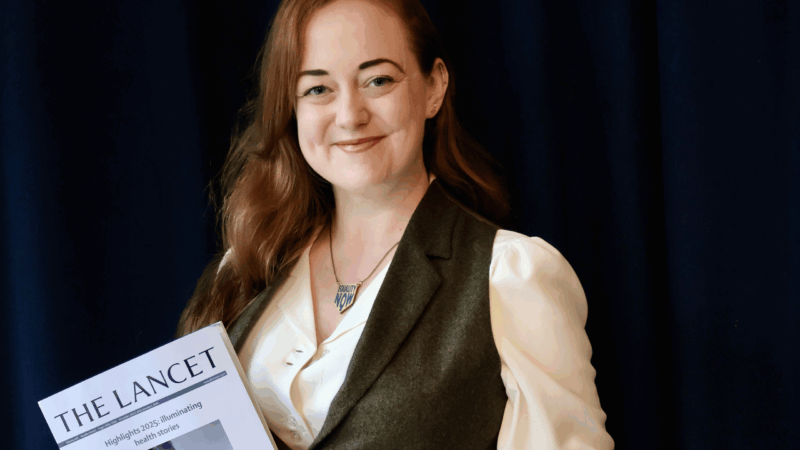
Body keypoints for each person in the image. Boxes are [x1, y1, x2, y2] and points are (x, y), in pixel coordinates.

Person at [177, 0, 614, 448]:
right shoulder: (252, 262)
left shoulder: (508, 275)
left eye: (378, 80)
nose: (349, 115)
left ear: (434, 87)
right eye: (317, 90)